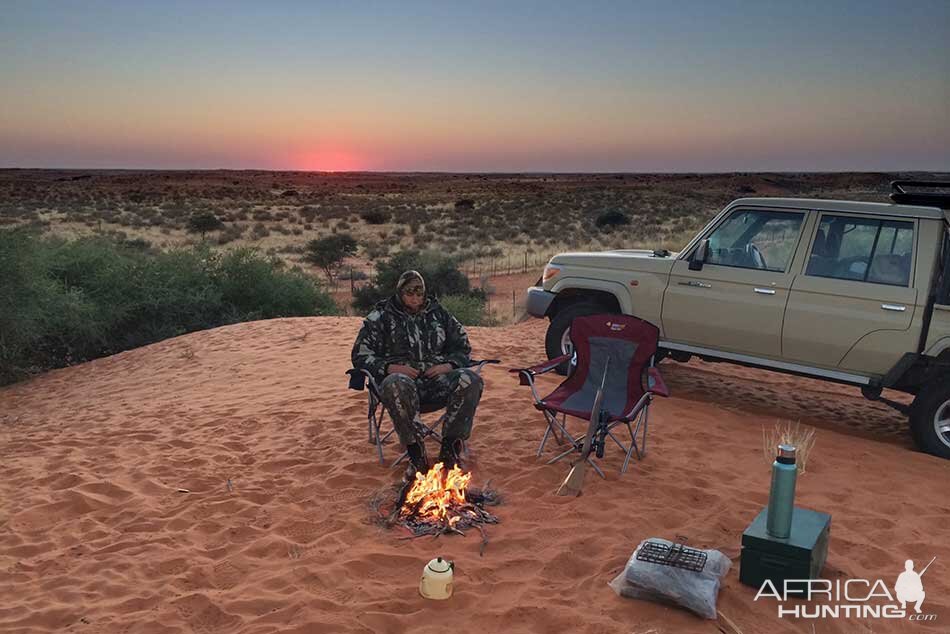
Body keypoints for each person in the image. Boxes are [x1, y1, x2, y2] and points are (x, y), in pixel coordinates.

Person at [352, 270, 484, 476]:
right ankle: (416, 454)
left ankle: (450, 449)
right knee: (396, 383)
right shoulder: (380, 317)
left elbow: (463, 347)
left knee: (471, 380)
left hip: (436, 380)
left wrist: (448, 365)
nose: (415, 299)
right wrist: (389, 368)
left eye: (419, 294)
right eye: (409, 294)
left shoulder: (439, 314)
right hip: (400, 386)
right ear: (399, 293)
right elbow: (360, 355)